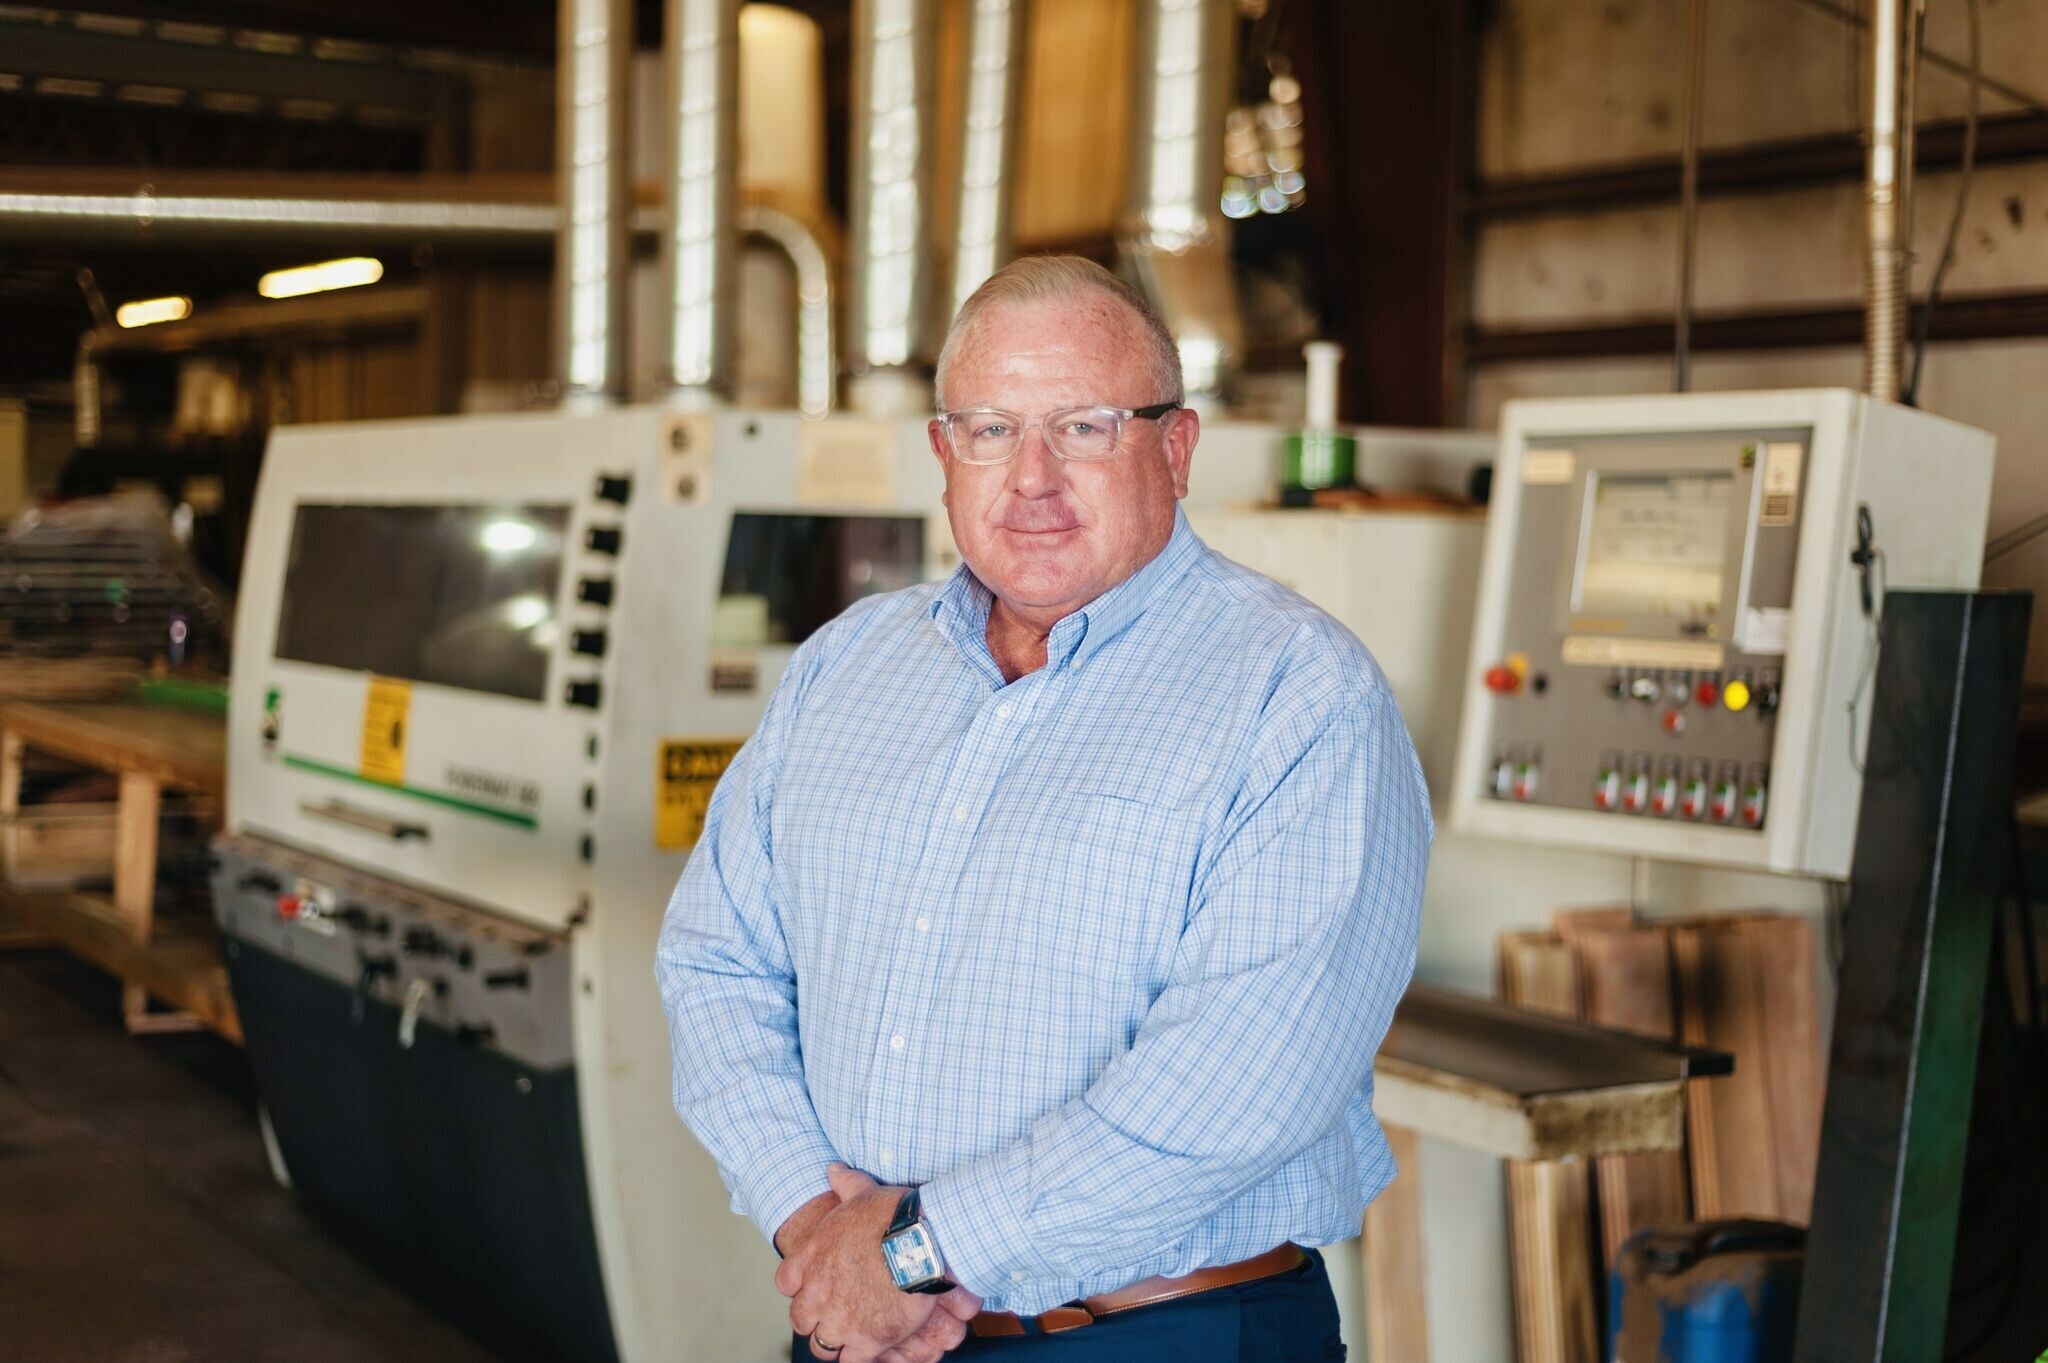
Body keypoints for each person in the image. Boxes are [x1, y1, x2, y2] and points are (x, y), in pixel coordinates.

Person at [656, 255, 1430, 1363]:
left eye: (1083, 427)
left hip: (1166, 1337)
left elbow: (1231, 1085)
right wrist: (818, 1229)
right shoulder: (847, 667)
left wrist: (912, 1255)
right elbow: (714, 960)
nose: (1030, 478)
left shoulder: (1297, 695)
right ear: (941, 453)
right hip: (860, 1329)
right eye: (988, 429)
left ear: (1175, 446)